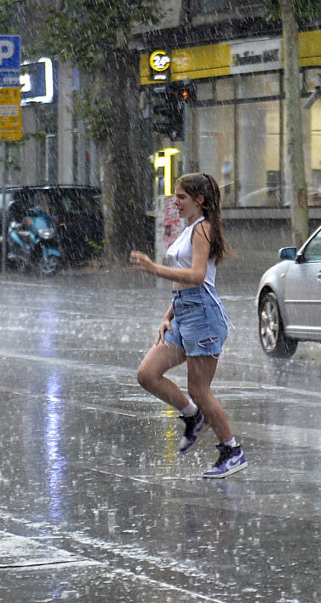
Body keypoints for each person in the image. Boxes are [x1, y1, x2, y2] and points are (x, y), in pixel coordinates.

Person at [128, 173, 246, 479]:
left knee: (199, 388)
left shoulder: (203, 229)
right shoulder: (190, 229)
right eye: (176, 196)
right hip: (184, 312)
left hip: (203, 316)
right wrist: (169, 312)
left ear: (199, 200)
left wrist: (154, 269)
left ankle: (232, 451)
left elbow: (196, 276)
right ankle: (193, 417)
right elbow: (188, 280)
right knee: (147, 374)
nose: (175, 202)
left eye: (181, 197)